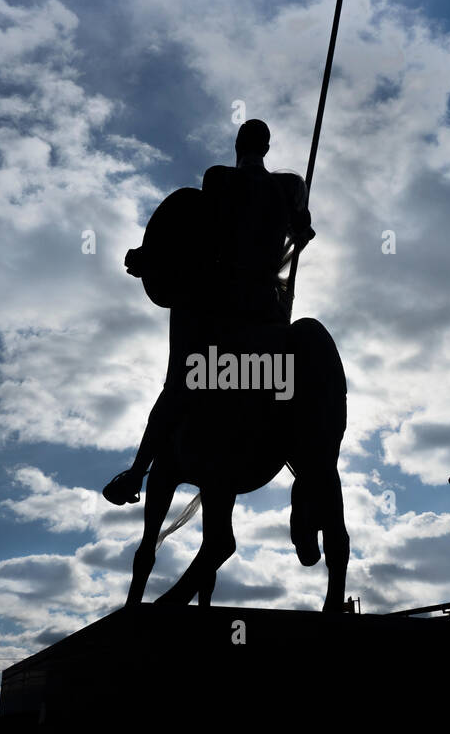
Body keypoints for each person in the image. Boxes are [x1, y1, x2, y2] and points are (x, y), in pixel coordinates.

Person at [103, 120, 314, 505]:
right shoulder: (291, 187)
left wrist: (150, 258)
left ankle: (136, 474)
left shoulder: (217, 178)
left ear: (238, 145)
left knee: (178, 384)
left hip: (222, 302)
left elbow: (198, 240)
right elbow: (305, 232)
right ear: (266, 149)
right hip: (268, 306)